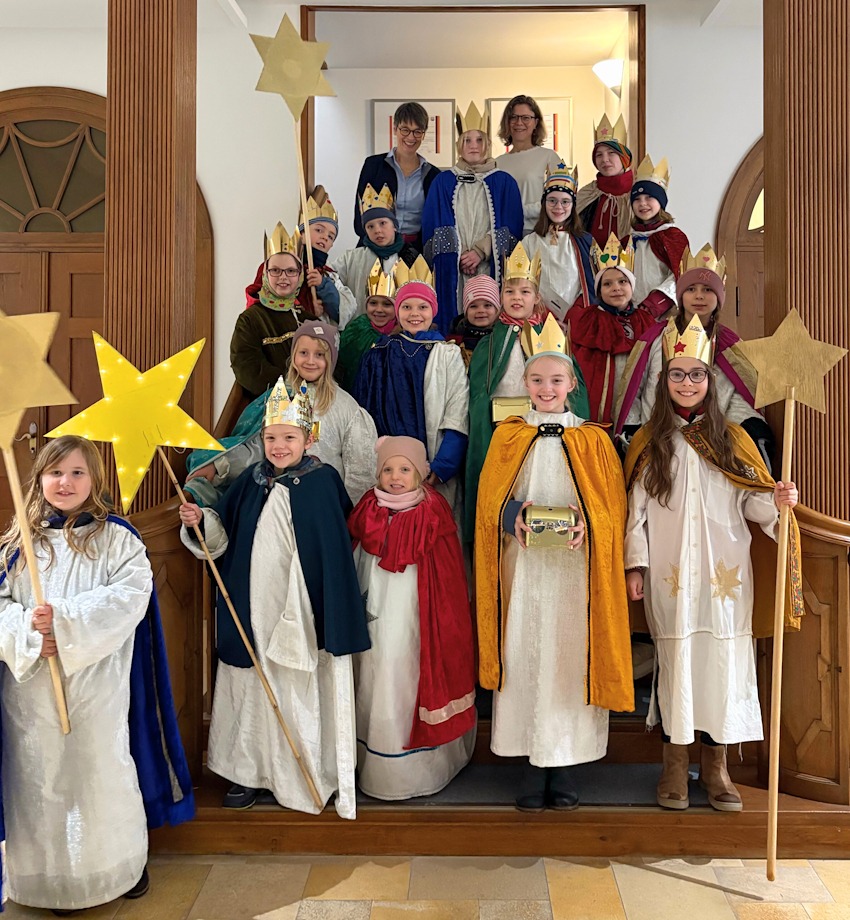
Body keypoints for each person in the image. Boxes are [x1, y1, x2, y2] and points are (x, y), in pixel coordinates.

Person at [0, 436, 193, 913]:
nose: (65, 483)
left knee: (99, 769)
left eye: (77, 473)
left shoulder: (116, 538)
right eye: (55, 473)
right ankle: (42, 878)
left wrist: (61, 623)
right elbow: (2, 603)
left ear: (95, 480)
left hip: (96, 683)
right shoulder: (18, 541)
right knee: (37, 778)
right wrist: (29, 631)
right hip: (29, 689)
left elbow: (130, 594)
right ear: (39, 479)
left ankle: (114, 867)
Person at [623, 315, 803, 812]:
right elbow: (633, 516)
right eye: (678, 374)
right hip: (671, 576)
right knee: (677, 664)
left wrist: (778, 499)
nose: (687, 383)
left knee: (722, 666)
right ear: (665, 381)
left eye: (696, 374)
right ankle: (675, 764)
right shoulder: (649, 444)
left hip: (726, 579)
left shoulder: (732, 441)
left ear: (709, 379)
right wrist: (634, 566)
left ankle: (717, 765)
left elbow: (754, 504)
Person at [178, 380, 370, 815]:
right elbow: (222, 538)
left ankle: (314, 769)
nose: (279, 446)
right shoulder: (250, 480)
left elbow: (333, 551)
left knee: (297, 679)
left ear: (309, 438)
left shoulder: (323, 483)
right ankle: (249, 772)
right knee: (249, 682)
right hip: (252, 607)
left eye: (289, 437)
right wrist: (200, 521)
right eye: (270, 438)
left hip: (301, 609)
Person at [475, 317, 634, 811]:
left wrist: (591, 524)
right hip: (522, 572)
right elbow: (487, 502)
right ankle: (528, 760)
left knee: (568, 656)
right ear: (525, 384)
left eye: (556, 380)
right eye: (537, 380)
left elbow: (613, 507)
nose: (546, 388)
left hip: (573, 573)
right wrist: (510, 515)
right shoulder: (508, 436)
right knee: (524, 651)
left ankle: (564, 763)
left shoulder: (594, 439)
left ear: (572, 386)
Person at [348, 436, 476, 800]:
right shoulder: (367, 508)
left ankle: (415, 770)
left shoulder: (433, 511)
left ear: (420, 472)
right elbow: (355, 551)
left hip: (417, 616)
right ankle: (373, 761)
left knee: (407, 674)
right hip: (375, 607)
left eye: (405, 469)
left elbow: (448, 575)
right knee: (375, 675)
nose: (395, 476)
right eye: (387, 469)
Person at [464, 242, 590, 542]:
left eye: (524, 292)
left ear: (536, 297)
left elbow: (573, 389)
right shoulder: (488, 343)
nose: (517, 298)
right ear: (500, 297)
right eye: (509, 292)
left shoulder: (552, 337)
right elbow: (480, 396)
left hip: (545, 430)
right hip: (500, 434)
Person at [185, 321, 377, 509]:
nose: (310, 361)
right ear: (293, 355)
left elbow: (360, 470)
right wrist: (219, 467)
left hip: (322, 503)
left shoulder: (346, 408)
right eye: (303, 353)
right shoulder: (277, 397)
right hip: (276, 502)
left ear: (331, 359)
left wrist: (349, 516)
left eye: (319, 355)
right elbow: (256, 449)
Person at [614, 244, 774, 465]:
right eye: (691, 289)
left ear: (719, 296)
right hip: (658, 439)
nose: (699, 296)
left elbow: (740, 394)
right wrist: (633, 426)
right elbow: (634, 388)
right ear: (681, 295)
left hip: (713, 442)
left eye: (708, 289)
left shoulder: (731, 345)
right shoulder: (653, 339)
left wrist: (746, 424)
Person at [353, 258, 469, 518]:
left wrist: (441, 468)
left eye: (422, 306)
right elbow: (365, 411)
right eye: (406, 306)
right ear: (397, 310)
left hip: (435, 465)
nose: (415, 313)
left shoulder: (447, 354)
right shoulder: (379, 353)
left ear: (433, 310)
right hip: (390, 469)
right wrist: (380, 462)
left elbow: (457, 413)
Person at [421, 102, 523, 334]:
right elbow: (433, 227)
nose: (473, 146)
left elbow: (512, 229)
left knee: (486, 317)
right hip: (454, 269)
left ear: (487, 144)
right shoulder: (443, 181)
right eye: (467, 140)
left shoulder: (505, 181)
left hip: (489, 265)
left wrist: (480, 251)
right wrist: (456, 255)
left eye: (479, 140)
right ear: (459, 145)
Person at [569, 233, 657, 425]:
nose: (615, 288)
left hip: (635, 403)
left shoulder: (645, 320)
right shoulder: (588, 319)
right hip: (597, 403)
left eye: (622, 282)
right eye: (607, 284)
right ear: (599, 291)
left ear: (632, 286)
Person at [230, 223, 312, 398]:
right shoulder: (250, 320)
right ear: (265, 274)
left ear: (300, 276)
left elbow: (331, 364)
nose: (283, 277)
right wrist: (290, 388)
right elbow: (247, 366)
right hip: (271, 403)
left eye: (290, 271)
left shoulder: (309, 319)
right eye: (275, 270)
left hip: (313, 400)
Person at [354, 101, 439, 251]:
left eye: (417, 131)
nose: (411, 137)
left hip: (416, 252)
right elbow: (360, 215)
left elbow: (435, 222)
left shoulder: (433, 175)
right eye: (405, 130)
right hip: (375, 249)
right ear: (395, 129)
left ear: (423, 134)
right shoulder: (373, 165)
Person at [521, 161, 595, 320]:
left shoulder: (585, 241)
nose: (558, 207)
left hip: (575, 317)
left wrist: (575, 313)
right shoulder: (529, 242)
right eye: (552, 200)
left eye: (565, 201)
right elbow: (521, 283)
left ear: (573, 205)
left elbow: (590, 285)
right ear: (544, 203)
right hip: (538, 316)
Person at [331, 184, 419, 316]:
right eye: (370, 226)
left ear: (394, 226)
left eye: (383, 223)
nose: (377, 230)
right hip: (360, 330)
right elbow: (331, 277)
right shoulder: (351, 259)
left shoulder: (410, 258)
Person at [627, 156, 689, 318]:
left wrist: (656, 302)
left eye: (649, 197)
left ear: (661, 202)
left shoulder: (672, 236)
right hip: (632, 313)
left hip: (665, 312)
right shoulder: (627, 240)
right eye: (637, 199)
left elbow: (681, 274)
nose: (642, 204)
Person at [494, 95, 563, 235]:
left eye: (526, 118)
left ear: (536, 122)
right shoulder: (497, 163)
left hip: (538, 233)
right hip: (504, 234)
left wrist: (518, 211)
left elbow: (559, 199)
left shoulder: (549, 157)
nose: (519, 122)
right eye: (513, 117)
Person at [295, 187, 357, 327]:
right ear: (302, 233)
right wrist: (308, 310)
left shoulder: (330, 276)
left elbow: (344, 312)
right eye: (319, 230)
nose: (324, 237)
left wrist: (323, 285)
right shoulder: (289, 267)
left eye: (330, 236)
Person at [337, 260, 398, 392]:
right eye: (373, 303)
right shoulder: (356, 331)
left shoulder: (402, 335)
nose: (379, 309)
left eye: (387, 304)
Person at [576, 114, 634, 248]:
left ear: (624, 157)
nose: (605, 159)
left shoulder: (639, 194)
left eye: (611, 153)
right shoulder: (586, 194)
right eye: (599, 155)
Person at [446, 274, 501, 368]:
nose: (481, 310)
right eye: (473, 306)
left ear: (497, 310)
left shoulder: (504, 337)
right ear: (466, 312)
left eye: (487, 305)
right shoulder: (455, 340)